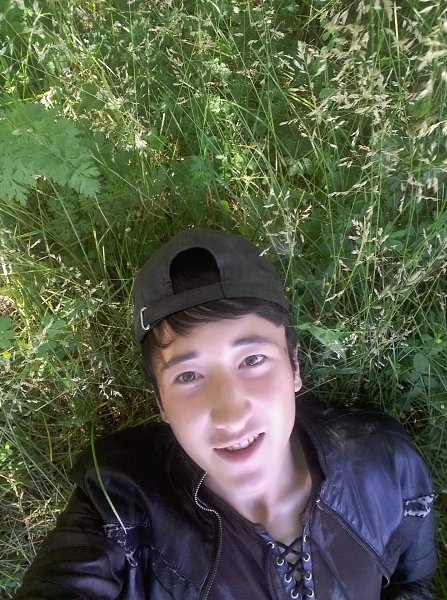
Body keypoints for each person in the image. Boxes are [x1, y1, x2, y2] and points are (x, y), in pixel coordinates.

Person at [14, 228, 437, 599]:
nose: (230, 416)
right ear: (160, 402)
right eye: (189, 376)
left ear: (294, 367)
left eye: (252, 360)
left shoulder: (386, 465)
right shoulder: (120, 506)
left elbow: (412, 583)